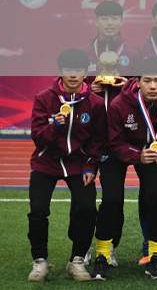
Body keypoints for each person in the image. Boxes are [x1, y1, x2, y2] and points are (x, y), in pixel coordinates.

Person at [92, 57, 157, 280]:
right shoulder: (119, 105)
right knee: (112, 199)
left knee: (156, 197)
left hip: (151, 152)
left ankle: (155, 253)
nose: (152, 86)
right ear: (137, 82)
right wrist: (136, 155)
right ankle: (103, 254)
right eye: (147, 81)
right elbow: (114, 141)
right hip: (118, 151)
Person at [27, 49, 104, 282]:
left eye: (78, 70)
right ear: (61, 71)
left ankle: (77, 260)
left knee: (87, 208)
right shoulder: (44, 98)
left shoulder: (95, 103)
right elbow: (38, 137)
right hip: (46, 162)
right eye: (68, 70)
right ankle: (40, 260)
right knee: (38, 210)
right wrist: (55, 127)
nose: (73, 75)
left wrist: (91, 166)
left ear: (85, 72)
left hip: (79, 164)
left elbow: (97, 140)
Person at [88, 0, 132, 74]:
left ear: (121, 22)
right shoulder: (86, 53)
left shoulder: (133, 54)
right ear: (96, 22)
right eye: (104, 18)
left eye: (114, 18)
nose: (109, 23)